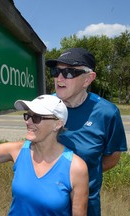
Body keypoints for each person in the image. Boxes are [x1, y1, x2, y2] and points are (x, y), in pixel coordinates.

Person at [45, 47, 128, 216]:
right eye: (56, 71)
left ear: (88, 79)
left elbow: (111, 158)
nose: (59, 77)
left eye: (69, 72)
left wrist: (80, 176)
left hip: (86, 205)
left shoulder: (107, 112)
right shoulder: (43, 106)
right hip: (44, 202)